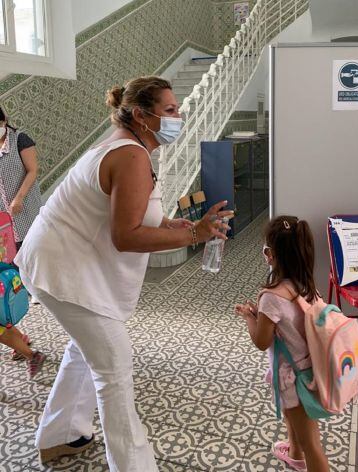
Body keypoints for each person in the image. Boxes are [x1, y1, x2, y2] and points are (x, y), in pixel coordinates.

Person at [14, 76, 232, 471]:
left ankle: (60, 435)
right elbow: (126, 236)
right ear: (140, 115)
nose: (178, 116)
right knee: (114, 366)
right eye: (170, 110)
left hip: (58, 262)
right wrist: (193, 235)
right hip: (60, 268)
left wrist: (172, 224)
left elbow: (134, 214)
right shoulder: (130, 155)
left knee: (85, 350)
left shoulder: (129, 148)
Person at [235, 216, 329, 472]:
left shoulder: (271, 296)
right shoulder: (306, 285)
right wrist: (259, 315)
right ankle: (295, 455)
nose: (264, 254)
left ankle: (303, 455)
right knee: (293, 418)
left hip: (295, 377)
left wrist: (248, 318)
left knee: (312, 442)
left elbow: (261, 341)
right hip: (308, 368)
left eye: (266, 249)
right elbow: (289, 326)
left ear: (272, 255)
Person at [0, 106, 42, 252]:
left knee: (37, 250)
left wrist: (18, 198)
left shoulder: (20, 139)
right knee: (16, 263)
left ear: (4, 120)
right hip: (4, 222)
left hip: (26, 210)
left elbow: (32, 171)